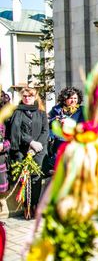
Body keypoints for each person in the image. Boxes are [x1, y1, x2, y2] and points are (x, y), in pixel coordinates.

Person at [7, 87, 49, 219]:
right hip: (22, 149)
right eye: (25, 96)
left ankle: (35, 205)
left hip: (39, 150)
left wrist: (39, 144)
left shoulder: (41, 112)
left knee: (36, 177)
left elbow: (45, 131)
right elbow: (15, 131)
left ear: (35, 97)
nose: (27, 98)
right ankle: (27, 206)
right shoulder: (17, 112)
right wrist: (31, 142)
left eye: (30, 96)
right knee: (25, 177)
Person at [47, 87, 85, 176]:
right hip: (59, 144)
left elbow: (85, 126)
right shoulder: (56, 110)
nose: (73, 101)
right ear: (65, 99)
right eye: (71, 98)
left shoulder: (82, 110)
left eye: (75, 98)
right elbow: (47, 123)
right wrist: (55, 120)